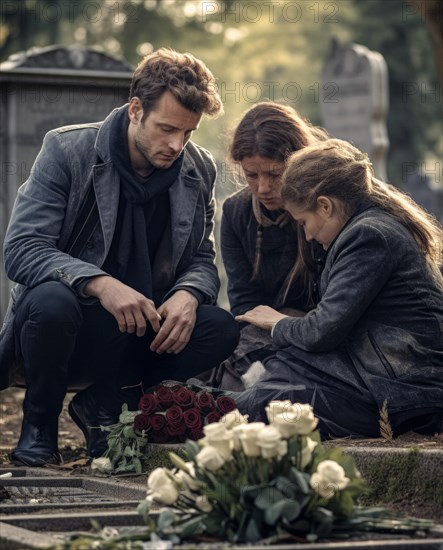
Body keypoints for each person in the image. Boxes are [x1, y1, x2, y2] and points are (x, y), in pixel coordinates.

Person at [0, 48, 239, 466]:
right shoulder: (67, 151)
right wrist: (100, 284)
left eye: (187, 133)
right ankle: (39, 425)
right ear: (135, 110)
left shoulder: (198, 169)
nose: (176, 144)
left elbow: (203, 256)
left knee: (217, 326)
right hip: (72, 327)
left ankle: (110, 408)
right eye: (166, 129)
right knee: (49, 300)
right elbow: (22, 250)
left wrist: (188, 293)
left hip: (145, 329)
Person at [235, 138, 443, 438]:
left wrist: (278, 323)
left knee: (265, 406)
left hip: (404, 396)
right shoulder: (366, 226)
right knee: (275, 375)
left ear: (325, 205)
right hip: (380, 379)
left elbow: (322, 331)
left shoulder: (368, 236)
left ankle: (187, 415)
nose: (306, 236)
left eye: (304, 222)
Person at [204, 102, 327, 390]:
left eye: (275, 174)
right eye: (251, 175)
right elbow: (244, 301)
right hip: (261, 331)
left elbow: (334, 306)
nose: (263, 188)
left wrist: (290, 323)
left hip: (319, 330)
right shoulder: (236, 212)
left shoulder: (325, 209)